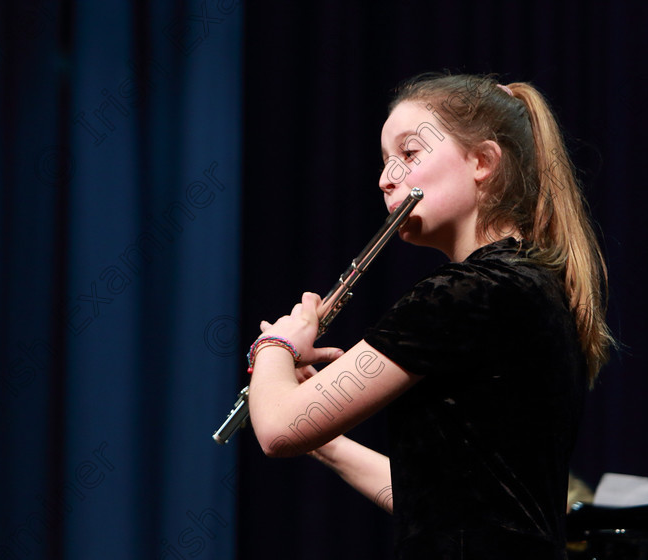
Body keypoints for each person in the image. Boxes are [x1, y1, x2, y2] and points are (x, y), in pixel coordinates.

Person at [246, 73, 614, 559]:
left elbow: (275, 428)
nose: (385, 178)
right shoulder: (535, 287)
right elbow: (443, 505)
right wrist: (326, 443)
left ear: (482, 161)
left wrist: (277, 345)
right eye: (384, 162)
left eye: (410, 154)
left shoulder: (464, 294)